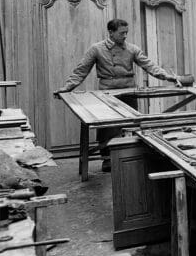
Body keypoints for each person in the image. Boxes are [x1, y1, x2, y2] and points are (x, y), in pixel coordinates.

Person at [54, 18, 187, 172]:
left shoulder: (132, 49)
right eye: (121, 33)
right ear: (111, 32)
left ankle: (133, 157)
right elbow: (81, 71)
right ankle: (107, 159)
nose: (125, 36)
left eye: (126, 33)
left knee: (132, 125)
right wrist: (66, 88)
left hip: (128, 92)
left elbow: (150, 66)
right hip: (106, 94)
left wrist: (169, 77)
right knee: (107, 127)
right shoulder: (96, 49)